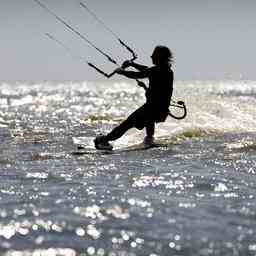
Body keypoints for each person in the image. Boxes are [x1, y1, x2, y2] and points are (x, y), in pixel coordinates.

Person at [94, 45, 174, 150]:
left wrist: (122, 72)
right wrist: (132, 64)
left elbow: (140, 74)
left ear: (159, 56)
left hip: (153, 107)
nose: (151, 56)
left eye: (153, 55)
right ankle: (149, 140)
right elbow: (147, 70)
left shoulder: (159, 70)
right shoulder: (165, 69)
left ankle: (104, 141)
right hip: (160, 109)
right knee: (149, 120)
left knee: (127, 123)